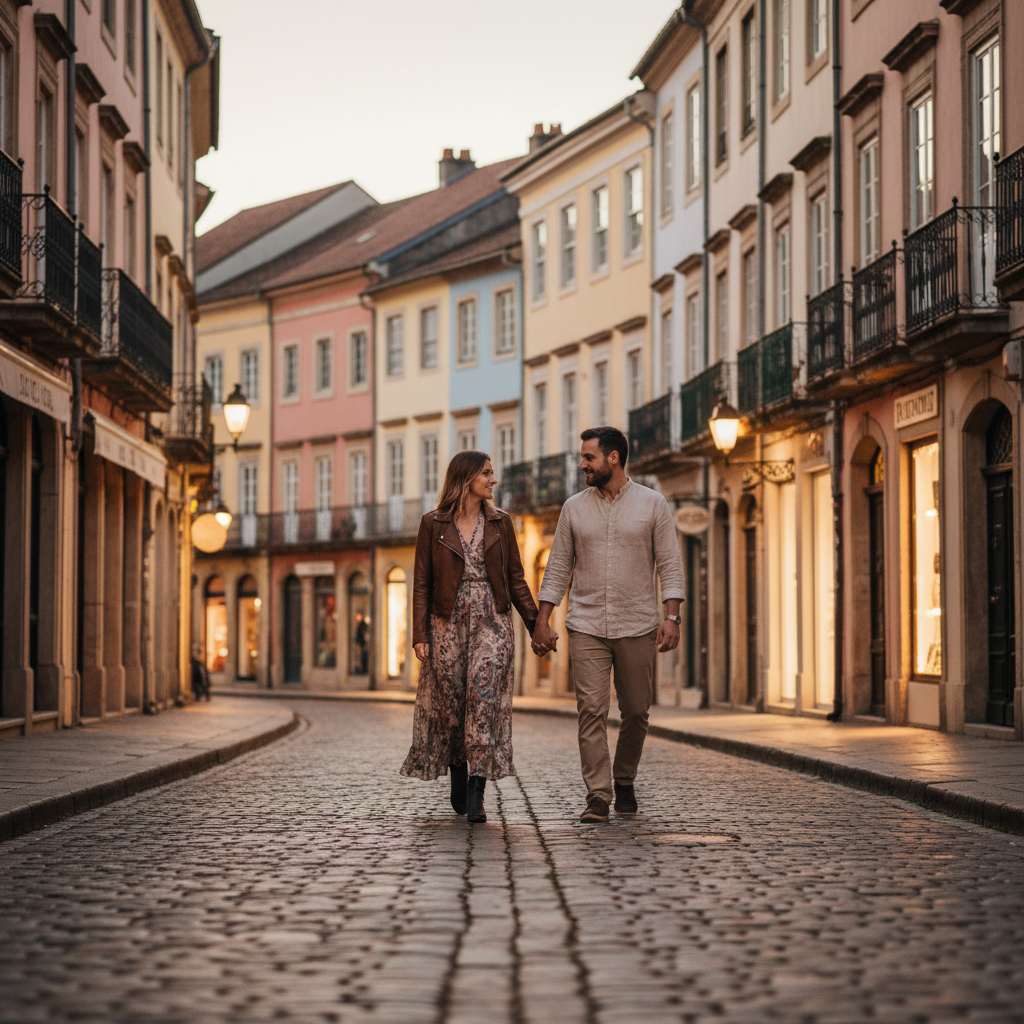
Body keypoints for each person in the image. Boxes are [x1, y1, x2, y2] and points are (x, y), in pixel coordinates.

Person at [531, 426, 685, 823]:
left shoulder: (653, 505)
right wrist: (542, 620)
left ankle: (624, 779)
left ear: (613, 458)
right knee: (591, 710)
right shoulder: (573, 508)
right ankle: (598, 795)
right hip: (585, 624)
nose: (582, 464)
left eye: (588, 458)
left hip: (637, 623)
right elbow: (558, 567)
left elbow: (669, 564)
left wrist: (671, 617)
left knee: (636, 711)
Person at [401, 451, 538, 823]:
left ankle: (478, 791)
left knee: (483, 696)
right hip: (446, 620)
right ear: (466, 478)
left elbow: (516, 578)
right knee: (453, 703)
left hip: (492, 617)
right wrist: (420, 634)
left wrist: (535, 623)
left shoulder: (501, 523)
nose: (493, 480)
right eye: (487, 474)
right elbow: (421, 584)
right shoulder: (433, 524)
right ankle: (458, 771)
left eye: (492, 474)